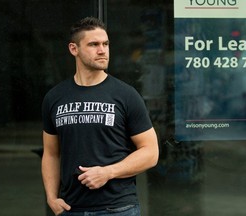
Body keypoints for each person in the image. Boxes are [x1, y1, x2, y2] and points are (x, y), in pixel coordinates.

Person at [41, 16, 159, 216]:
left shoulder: (126, 95)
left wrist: (108, 172)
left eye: (105, 44)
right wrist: (52, 198)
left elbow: (151, 152)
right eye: (94, 44)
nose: (102, 50)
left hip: (118, 208)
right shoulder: (55, 97)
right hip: (71, 208)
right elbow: (51, 153)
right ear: (74, 49)